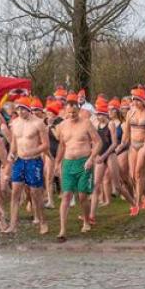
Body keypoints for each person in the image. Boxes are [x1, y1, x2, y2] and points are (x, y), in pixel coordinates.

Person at [53, 94, 100, 241]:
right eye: (69, 113)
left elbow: (98, 142)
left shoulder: (86, 123)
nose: (72, 115)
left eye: (74, 112)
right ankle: (62, 229)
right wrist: (57, 163)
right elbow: (61, 145)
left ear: (78, 111)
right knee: (66, 195)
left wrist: (91, 159)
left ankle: (86, 220)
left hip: (83, 162)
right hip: (68, 163)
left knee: (82, 196)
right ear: (65, 112)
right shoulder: (62, 126)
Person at [8, 98, 49, 233]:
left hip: (34, 161)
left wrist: (34, 151)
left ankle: (43, 222)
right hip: (19, 161)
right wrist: (11, 153)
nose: (20, 112)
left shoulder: (38, 123)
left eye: (23, 109)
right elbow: (14, 142)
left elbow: (45, 145)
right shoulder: (15, 123)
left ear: (29, 109)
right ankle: (13, 225)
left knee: (36, 193)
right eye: (18, 109)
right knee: (15, 193)